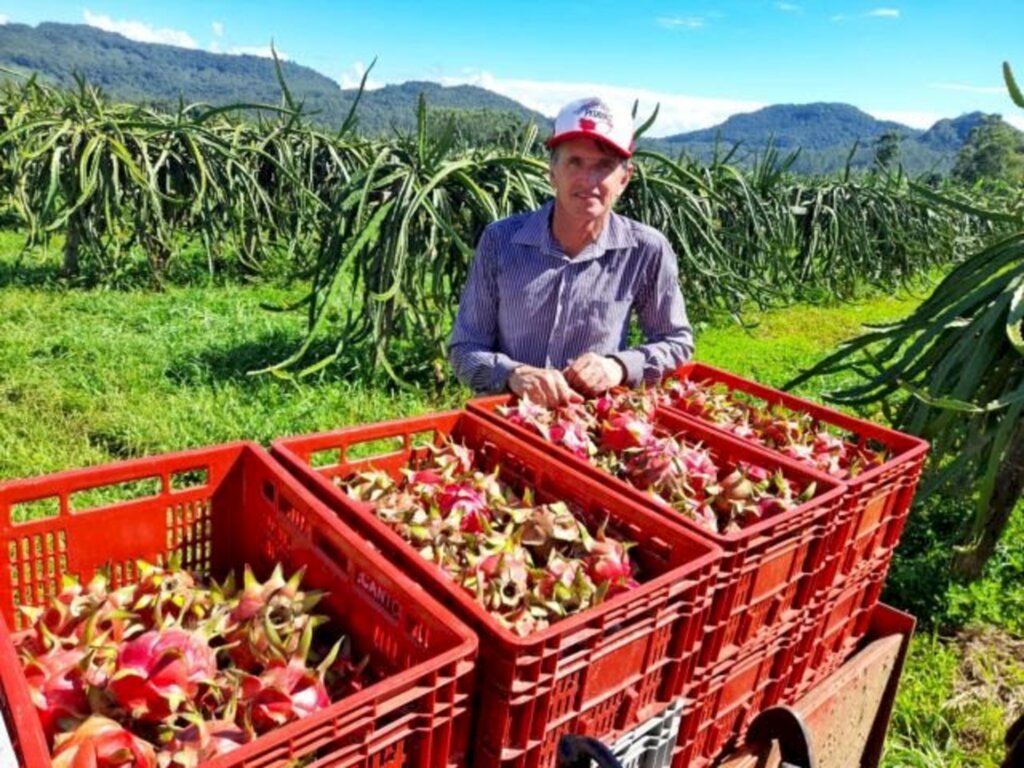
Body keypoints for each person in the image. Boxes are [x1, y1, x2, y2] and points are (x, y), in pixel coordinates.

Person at [447, 96, 694, 407]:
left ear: (624, 179)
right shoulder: (500, 241)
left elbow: (676, 341)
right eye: (574, 162)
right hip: (509, 421)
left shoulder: (647, 250)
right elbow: (465, 348)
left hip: (593, 426)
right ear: (552, 171)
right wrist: (514, 374)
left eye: (604, 166)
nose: (588, 180)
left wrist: (617, 366)